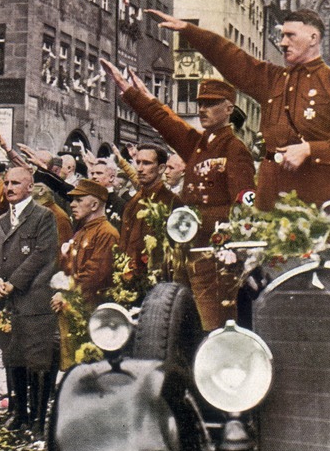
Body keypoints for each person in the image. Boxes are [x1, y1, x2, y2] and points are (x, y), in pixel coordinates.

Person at [149, 8, 330, 210]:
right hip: (270, 197)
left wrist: (310, 149)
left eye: (290, 36)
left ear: (313, 38)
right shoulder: (272, 80)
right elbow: (232, 58)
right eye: (282, 36)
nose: (282, 42)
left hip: (315, 200)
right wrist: (190, 31)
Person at [103, 61, 256, 330]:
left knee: (212, 326)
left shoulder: (235, 149)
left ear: (229, 109)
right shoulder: (199, 145)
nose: (202, 109)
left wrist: (226, 240)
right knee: (183, 324)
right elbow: (165, 122)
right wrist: (131, 93)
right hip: (187, 253)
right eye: (200, 104)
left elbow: (244, 206)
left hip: (213, 255)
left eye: (210, 104)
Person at [0, 167, 59, 435]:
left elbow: (42, 255)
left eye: (16, 183)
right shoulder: (1, 220)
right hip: (3, 303)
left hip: (31, 301)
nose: (9, 187)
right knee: (12, 357)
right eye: (6, 183)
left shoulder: (43, 217)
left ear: (29, 187)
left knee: (36, 361)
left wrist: (13, 283)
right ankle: (18, 413)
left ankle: (37, 419)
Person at [51, 179, 119, 368]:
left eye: (79, 200)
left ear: (95, 204)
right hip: (75, 307)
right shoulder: (82, 231)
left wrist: (65, 292)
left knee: (90, 365)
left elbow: (96, 274)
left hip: (91, 310)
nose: (72, 204)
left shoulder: (106, 232)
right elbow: (68, 268)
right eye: (73, 200)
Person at [118, 144, 179, 277]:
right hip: (128, 276)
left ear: (161, 168)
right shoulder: (134, 200)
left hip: (155, 278)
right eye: (138, 162)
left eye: (146, 163)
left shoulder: (172, 202)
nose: (139, 169)